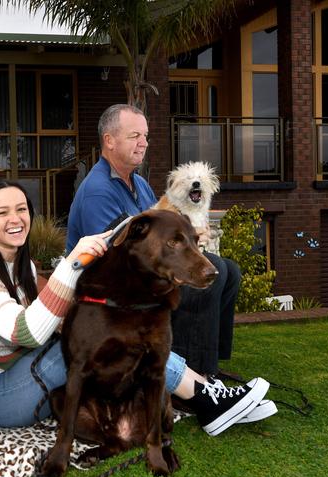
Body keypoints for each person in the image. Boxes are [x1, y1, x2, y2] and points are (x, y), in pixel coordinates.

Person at [66, 104, 277, 435]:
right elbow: (112, 261)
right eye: (134, 135)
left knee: (229, 271)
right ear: (109, 141)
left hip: (140, 283)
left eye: (146, 136)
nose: (144, 143)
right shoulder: (97, 191)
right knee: (209, 274)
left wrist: (192, 241)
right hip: (109, 299)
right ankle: (197, 389)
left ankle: (209, 371)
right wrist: (176, 271)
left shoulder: (140, 185)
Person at [0, 179, 111, 427]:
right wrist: (70, 266)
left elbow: (48, 319)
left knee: (101, 332)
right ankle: (190, 388)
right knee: (99, 340)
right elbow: (27, 333)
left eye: (21, 209)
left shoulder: (21, 265)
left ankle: (174, 383)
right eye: (2, 213)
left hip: (19, 369)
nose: (15, 219)